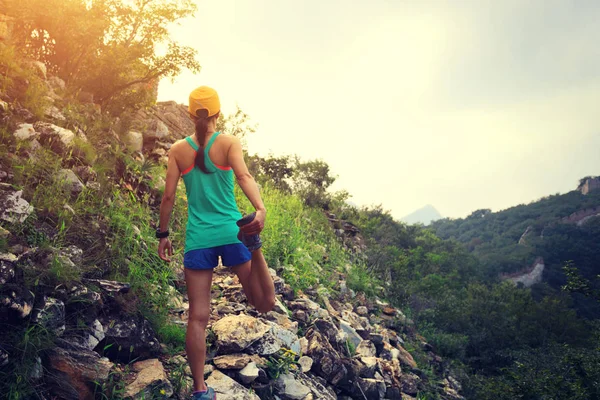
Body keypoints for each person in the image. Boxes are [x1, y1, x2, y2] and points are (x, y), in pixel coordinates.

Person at [156, 86, 276, 400]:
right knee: (262, 302)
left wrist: (163, 234)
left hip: (198, 239)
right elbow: (245, 176)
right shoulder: (228, 142)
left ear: (188, 112)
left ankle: (200, 391)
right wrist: (260, 208)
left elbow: (168, 197)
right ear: (217, 113)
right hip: (231, 231)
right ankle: (255, 243)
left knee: (197, 317)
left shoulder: (177, 150)